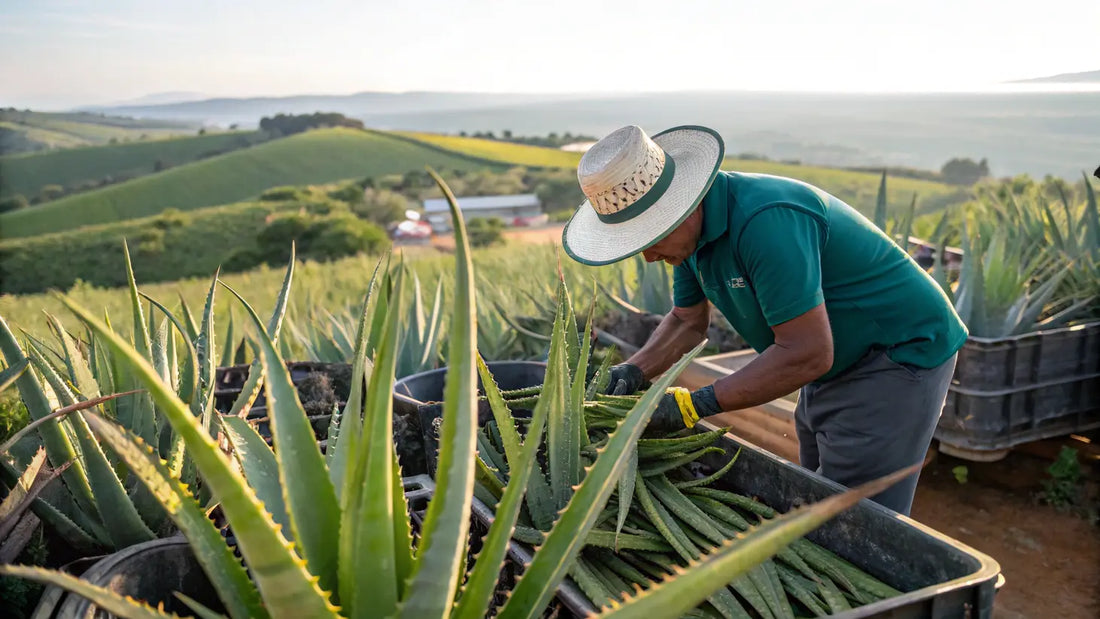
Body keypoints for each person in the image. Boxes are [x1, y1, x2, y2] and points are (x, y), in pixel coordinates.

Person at [560, 124, 967, 516]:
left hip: (895, 356)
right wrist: (633, 371)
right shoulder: (691, 238)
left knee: (851, 516)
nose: (648, 256)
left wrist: (693, 405)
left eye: (649, 240)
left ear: (678, 209)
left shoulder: (766, 221)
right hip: (830, 357)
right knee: (818, 485)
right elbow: (686, 321)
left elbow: (807, 352)